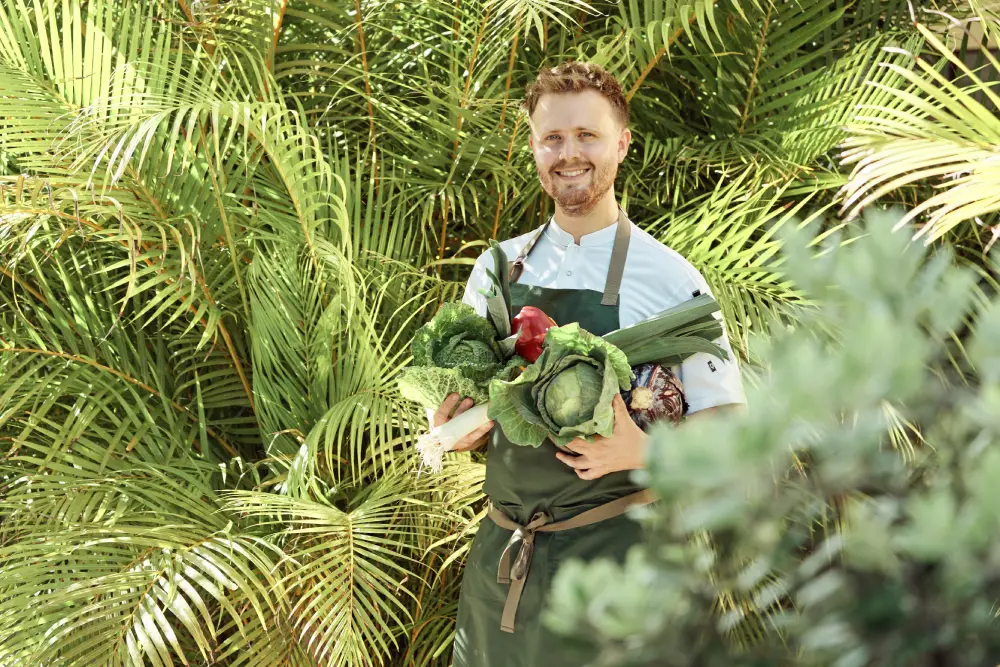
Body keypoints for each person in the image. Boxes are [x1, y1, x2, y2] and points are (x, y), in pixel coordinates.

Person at [442, 61, 746, 667]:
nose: (568, 153)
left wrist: (644, 452)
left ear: (622, 144)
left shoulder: (672, 281)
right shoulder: (498, 271)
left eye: (587, 136)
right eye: (552, 137)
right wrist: (452, 422)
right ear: (532, 146)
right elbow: (460, 401)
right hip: (503, 572)